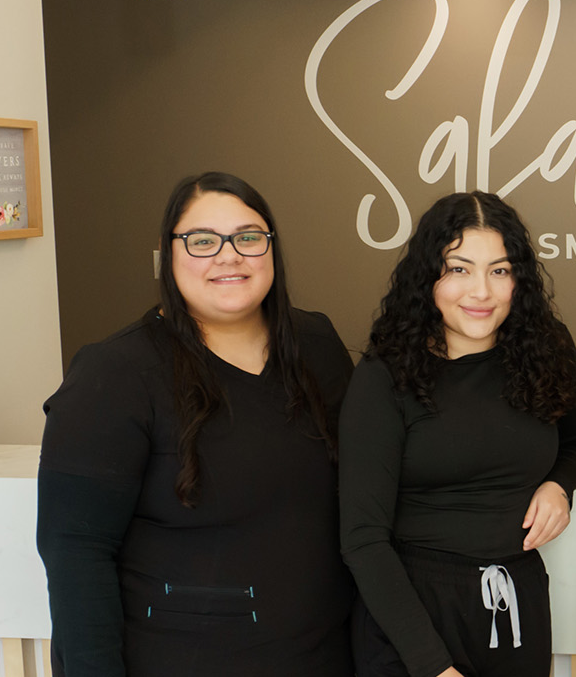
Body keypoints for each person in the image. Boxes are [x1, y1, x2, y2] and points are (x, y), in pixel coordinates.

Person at [36, 172, 356, 676]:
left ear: (271, 248)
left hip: (326, 657)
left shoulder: (316, 344)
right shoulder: (114, 373)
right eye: (202, 241)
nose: (229, 256)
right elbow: (76, 554)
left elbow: (382, 471)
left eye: (249, 238)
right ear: (168, 255)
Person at [340, 192, 576, 677]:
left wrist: (559, 487)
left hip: (516, 603)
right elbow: (362, 539)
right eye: (459, 269)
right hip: (412, 615)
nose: (481, 292)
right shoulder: (384, 375)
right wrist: (433, 666)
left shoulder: (548, 347)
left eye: (499, 270)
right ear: (427, 276)